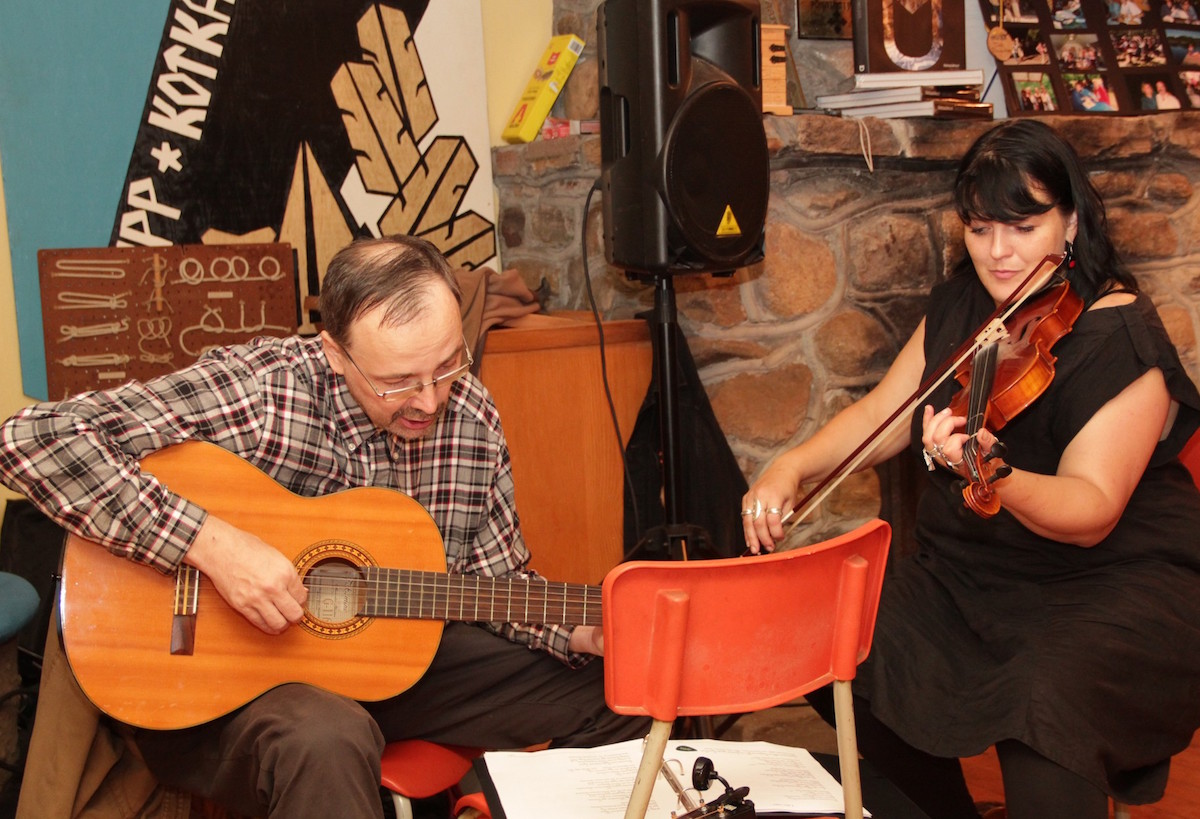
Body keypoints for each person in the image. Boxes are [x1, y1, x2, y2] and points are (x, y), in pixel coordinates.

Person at [0, 234, 648, 818]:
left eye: (448, 365)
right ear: (335, 353)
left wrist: (572, 625)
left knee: (627, 687)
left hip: (398, 667)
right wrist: (214, 546)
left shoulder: (470, 414)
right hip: (216, 688)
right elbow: (31, 441)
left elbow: (493, 577)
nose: (430, 399)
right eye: (398, 380)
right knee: (326, 738)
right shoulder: (264, 392)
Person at [742, 119, 1200, 819]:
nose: (999, 252)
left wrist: (998, 476)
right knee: (829, 627)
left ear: (1071, 221)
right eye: (981, 229)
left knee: (1043, 704)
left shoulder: (1122, 332)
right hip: (974, 569)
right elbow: (881, 417)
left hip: (1108, 582)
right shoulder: (964, 305)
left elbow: (1091, 509)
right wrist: (791, 465)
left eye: (1022, 226)